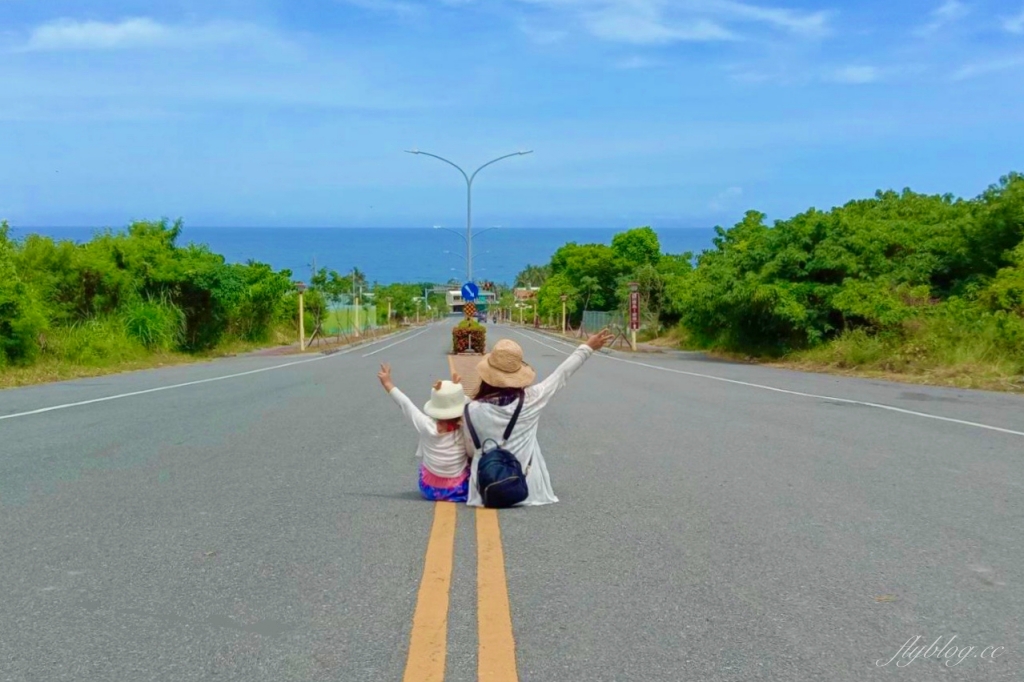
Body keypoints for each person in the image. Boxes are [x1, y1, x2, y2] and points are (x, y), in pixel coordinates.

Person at [462, 329, 614, 507]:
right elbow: (562, 374)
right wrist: (587, 347)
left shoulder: (471, 409)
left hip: (485, 489)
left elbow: (470, 451)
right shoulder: (532, 399)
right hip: (529, 489)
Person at [377, 363, 471, 502]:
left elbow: (405, 404)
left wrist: (387, 383)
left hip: (429, 490)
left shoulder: (426, 425)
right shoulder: (465, 428)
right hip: (459, 489)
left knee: (425, 465)